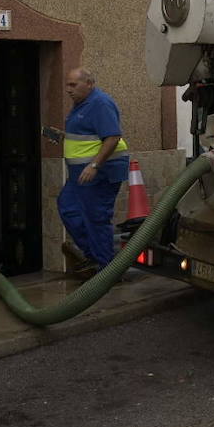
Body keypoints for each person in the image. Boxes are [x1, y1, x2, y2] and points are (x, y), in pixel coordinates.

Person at [58, 67, 130, 277]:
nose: (68, 90)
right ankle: (95, 255)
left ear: (89, 83)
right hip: (79, 175)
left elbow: (113, 137)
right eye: (67, 85)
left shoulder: (100, 103)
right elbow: (87, 136)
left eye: (73, 85)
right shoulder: (80, 104)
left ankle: (107, 270)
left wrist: (94, 165)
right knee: (68, 208)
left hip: (99, 173)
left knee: (96, 217)